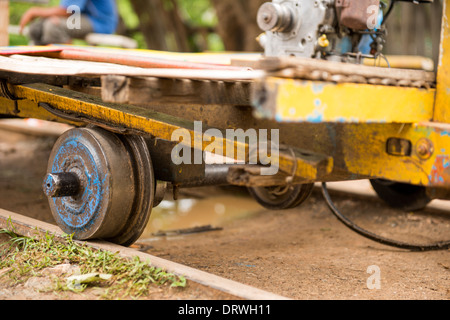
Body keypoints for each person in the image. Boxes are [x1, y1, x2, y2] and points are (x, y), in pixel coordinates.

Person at [19, 0, 118, 45]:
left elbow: (69, 10)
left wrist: (36, 11)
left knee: (53, 27)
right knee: (37, 27)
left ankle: (66, 69)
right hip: (80, 16)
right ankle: (37, 64)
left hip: (100, 22)